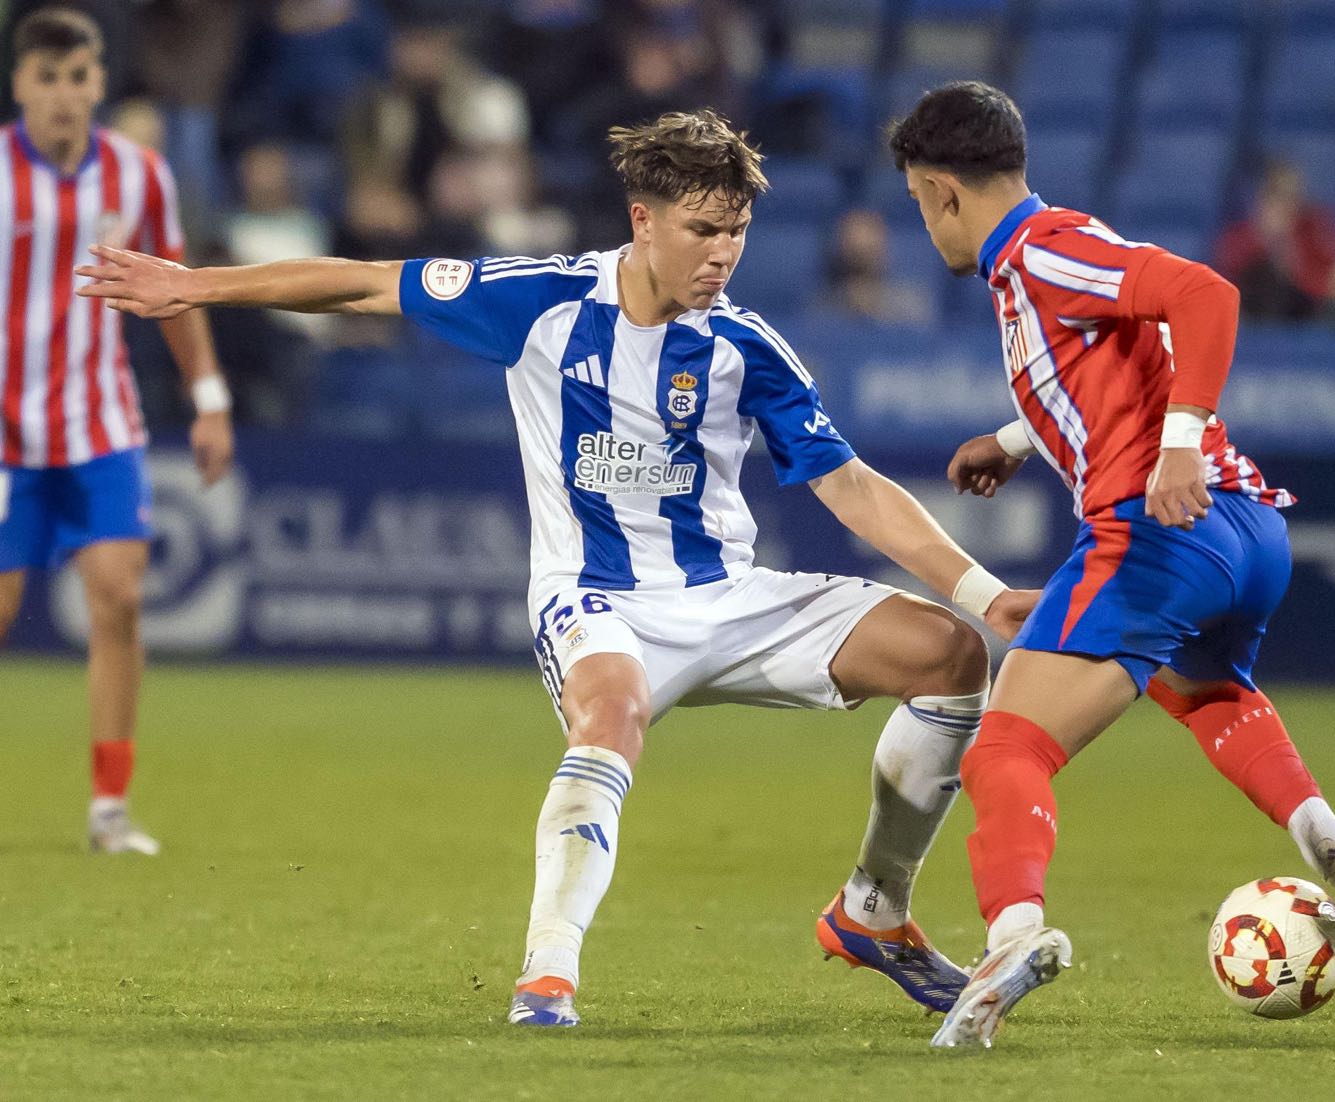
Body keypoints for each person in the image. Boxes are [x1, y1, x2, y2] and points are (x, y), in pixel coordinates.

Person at [77, 108, 1041, 1029]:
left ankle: (874, 906)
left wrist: (983, 594)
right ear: (642, 220)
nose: (722, 254)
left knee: (949, 654)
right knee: (612, 712)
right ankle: (548, 970)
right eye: (703, 230)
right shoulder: (539, 300)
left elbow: (853, 488)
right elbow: (364, 281)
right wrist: (196, 285)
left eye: (737, 232)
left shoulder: (747, 347)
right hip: (596, 598)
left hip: (729, 599)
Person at [884, 81, 1335, 1048]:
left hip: (1161, 526)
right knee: (1201, 686)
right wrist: (1017, 436)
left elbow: (1204, 295)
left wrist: (1177, 445)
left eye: (920, 205)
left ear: (941, 192)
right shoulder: (1045, 254)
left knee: (1009, 747)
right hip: (1247, 533)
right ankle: (1332, 847)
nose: (926, 224)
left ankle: (1011, 938)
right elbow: (1123, 356)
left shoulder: (1044, 250)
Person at [0, 8, 234, 854]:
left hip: (99, 420)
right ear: (20, 83)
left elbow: (177, 294)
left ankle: (108, 809)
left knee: (121, 596)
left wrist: (209, 398)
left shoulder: (140, 177)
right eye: (48, 77)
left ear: (99, 82)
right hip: (4, 433)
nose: (65, 94)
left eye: (79, 77)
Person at [1214, 157, 1335, 320]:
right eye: (1277, 195)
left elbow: (1324, 290)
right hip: (1249, 327)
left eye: (1292, 196)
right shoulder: (1237, 240)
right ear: (1261, 198)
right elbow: (1225, 294)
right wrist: (1266, 239)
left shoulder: (1313, 232)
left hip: (1303, 324)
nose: (1286, 204)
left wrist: (1287, 249)